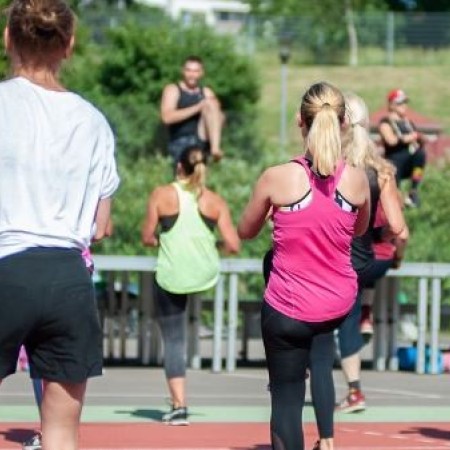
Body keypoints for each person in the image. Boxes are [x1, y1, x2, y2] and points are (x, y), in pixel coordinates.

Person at [0, 2, 120, 450]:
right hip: (69, 278)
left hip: (7, 266)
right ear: (68, 45)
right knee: (62, 432)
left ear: (8, 39)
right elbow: (101, 225)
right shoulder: (92, 121)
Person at [238, 82, 370, 450]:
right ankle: (327, 434)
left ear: (301, 121)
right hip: (334, 305)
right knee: (320, 349)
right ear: (342, 123)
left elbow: (245, 231)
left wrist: (278, 214)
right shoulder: (357, 179)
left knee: (286, 398)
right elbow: (358, 229)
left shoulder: (277, 177)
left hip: (289, 309)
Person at [142, 146, 240, 425]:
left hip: (172, 275)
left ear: (178, 168)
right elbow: (233, 245)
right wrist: (210, 245)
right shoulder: (214, 201)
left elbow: (147, 237)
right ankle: (179, 403)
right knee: (190, 324)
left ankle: (179, 405)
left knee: (174, 339)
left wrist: (164, 240)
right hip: (204, 273)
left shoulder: (162, 195)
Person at [331, 93, 409, 418]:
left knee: (327, 322)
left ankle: (348, 388)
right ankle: (366, 310)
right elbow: (399, 229)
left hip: (338, 259)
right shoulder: (383, 171)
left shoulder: (332, 168)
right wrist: (395, 256)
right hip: (373, 260)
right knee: (351, 309)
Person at [161, 55, 225, 165]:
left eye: (196, 71)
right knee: (186, 180)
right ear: (183, 71)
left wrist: (217, 117)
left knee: (212, 103)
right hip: (181, 142)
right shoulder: (173, 89)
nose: (192, 75)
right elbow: (167, 118)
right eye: (189, 70)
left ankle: (215, 148)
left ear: (201, 73)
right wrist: (198, 107)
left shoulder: (206, 92)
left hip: (202, 140)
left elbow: (219, 118)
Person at [378, 89, 426, 207]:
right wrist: (408, 137)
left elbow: (419, 141)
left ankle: (413, 190)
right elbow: (391, 140)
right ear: (391, 105)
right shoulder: (386, 122)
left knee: (421, 154)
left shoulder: (408, 122)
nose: (404, 106)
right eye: (400, 103)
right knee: (395, 198)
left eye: (405, 102)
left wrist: (420, 138)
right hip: (394, 163)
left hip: (408, 163)